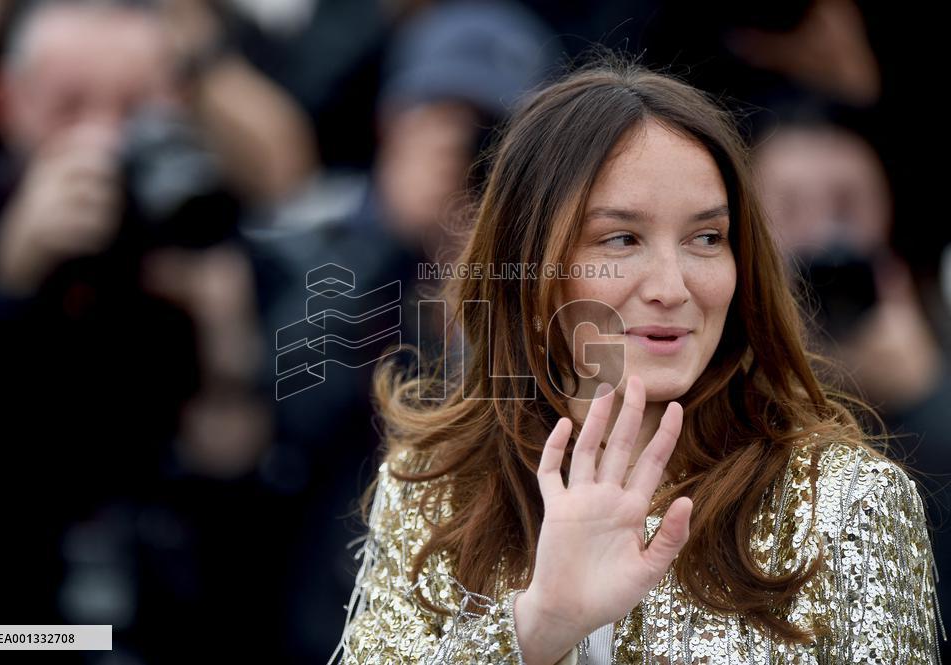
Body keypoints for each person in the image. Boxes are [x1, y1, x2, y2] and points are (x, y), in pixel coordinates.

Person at [328, 59, 944, 664]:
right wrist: (535, 631)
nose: (672, 288)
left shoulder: (843, 500)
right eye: (621, 239)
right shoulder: (435, 490)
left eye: (707, 238)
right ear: (532, 271)